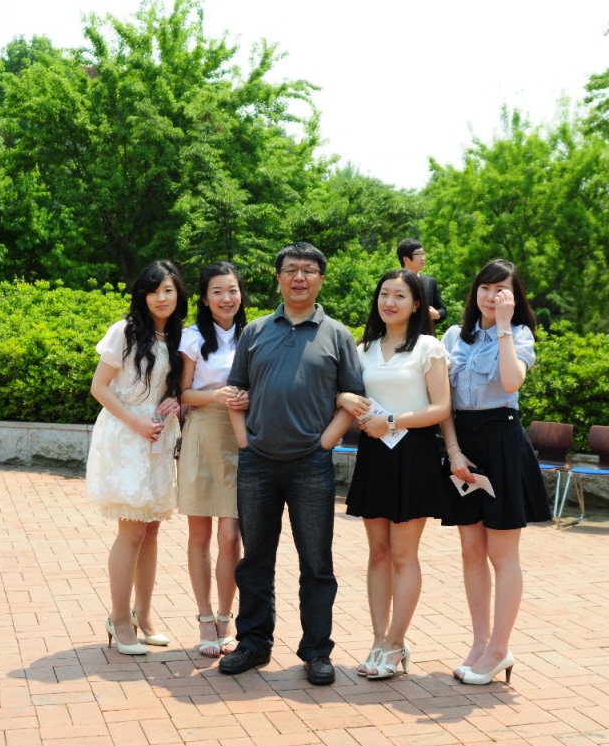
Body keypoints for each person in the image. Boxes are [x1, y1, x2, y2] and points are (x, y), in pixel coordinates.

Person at [218, 242, 364, 685]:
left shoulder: (337, 335)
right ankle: (253, 642)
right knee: (255, 559)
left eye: (308, 270)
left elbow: (354, 399)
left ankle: (317, 651)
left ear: (321, 279)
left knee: (316, 563)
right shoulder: (255, 331)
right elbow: (236, 392)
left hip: (310, 467)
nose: (299, 277)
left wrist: (325, 444)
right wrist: (244, 443)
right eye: (291, 269)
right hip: (257, 463)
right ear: (278, 277)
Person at [440, 259, 551, 686]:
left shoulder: (519, 334)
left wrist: (504, 325)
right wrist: (453, 450)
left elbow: (510, 383)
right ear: (475, 291)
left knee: (502, 555)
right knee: (471, 551)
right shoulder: (454, 336)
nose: (492, 296)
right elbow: (444, 401)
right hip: (464, 447)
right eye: (486, 287)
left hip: (502, 443)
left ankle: (500, 648)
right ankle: (480, 643)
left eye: (502, 289)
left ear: (514, 297)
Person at [339, 270, 451, 679]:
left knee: (404, 554)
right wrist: (344, 397)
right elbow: (346, 393)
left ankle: (395, 643)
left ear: (417, 303)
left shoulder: (429, 347)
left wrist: (392, 421)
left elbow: (442, 407)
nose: (389, 302)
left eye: (400, 295)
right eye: (384, 294)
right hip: (374, 454)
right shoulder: (363, 348)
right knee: (378, 553)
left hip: (414, 453)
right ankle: (377, 639)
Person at [86, 261, 187, 654]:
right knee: (130, 532)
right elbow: (99, 387)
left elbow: (173, 387)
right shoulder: (124, 331)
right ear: (142, 295)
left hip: (158, 437)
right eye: (153, 290)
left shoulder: (177, 336)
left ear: (178, 294)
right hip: (127, 436)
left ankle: (143, 616)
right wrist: (136, 422)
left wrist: (174, 402)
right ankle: (119, 618)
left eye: (168, 290)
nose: (161, 298)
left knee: (151, 531)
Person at [178, 261, 249, 658]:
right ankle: (205, 617)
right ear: (205, 299)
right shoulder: (191, 337)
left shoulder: (252, 334)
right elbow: (183, 393)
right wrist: (215, 396)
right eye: (218, 291)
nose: (226, 298)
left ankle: (226, 616)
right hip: (202, 432)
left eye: (232, 290)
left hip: (239, 436)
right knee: (200, 535)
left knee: (230, 536)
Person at [397, 238, 446, 329]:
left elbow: (443, 310)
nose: (422, 258)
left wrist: (437, 314)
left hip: (425, 334)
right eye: (418, 254)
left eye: (423, 253)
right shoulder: (395, 282)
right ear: (406, 259)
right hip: (400, 333)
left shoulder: (430, 282)